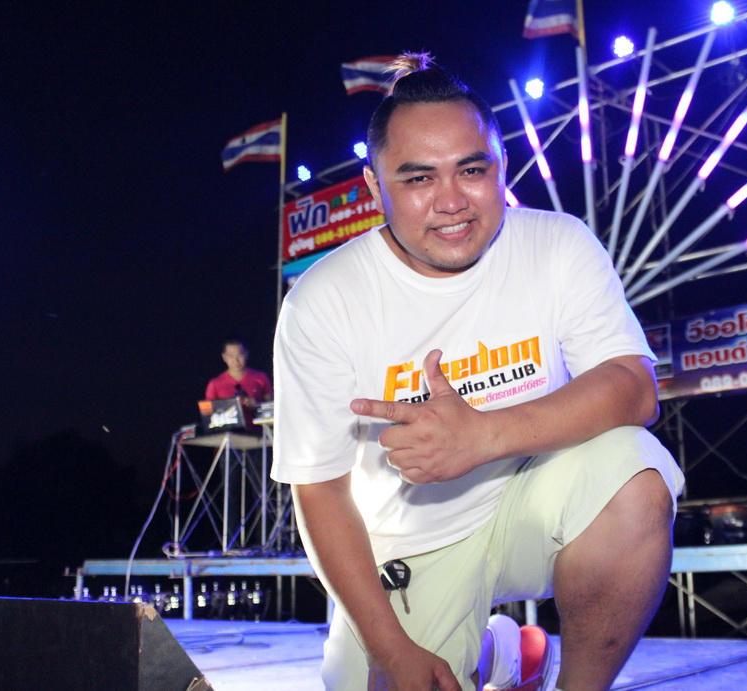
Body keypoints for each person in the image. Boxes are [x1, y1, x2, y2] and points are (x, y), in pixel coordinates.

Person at [272, 53, 684, 691]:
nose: (451, 202)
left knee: (637, 475)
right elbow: (319, 490)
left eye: (471, 170)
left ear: (502, 166)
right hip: (412, 542)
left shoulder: (557, 243)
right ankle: (502, 652)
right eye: (418, 178)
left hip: (535, 498)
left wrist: (481, 436)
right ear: (374, 188)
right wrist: (392, 652)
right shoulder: (323, 300)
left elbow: (633, 386)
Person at [205, 339, 272, 405]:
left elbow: (271, 404)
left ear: (246, 355)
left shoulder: (261, 377)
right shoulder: (214, 384)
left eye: (240, 356)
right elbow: (208, 410)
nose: (236, 361)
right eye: (230, 357)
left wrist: (257, 404)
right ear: (224, 357)